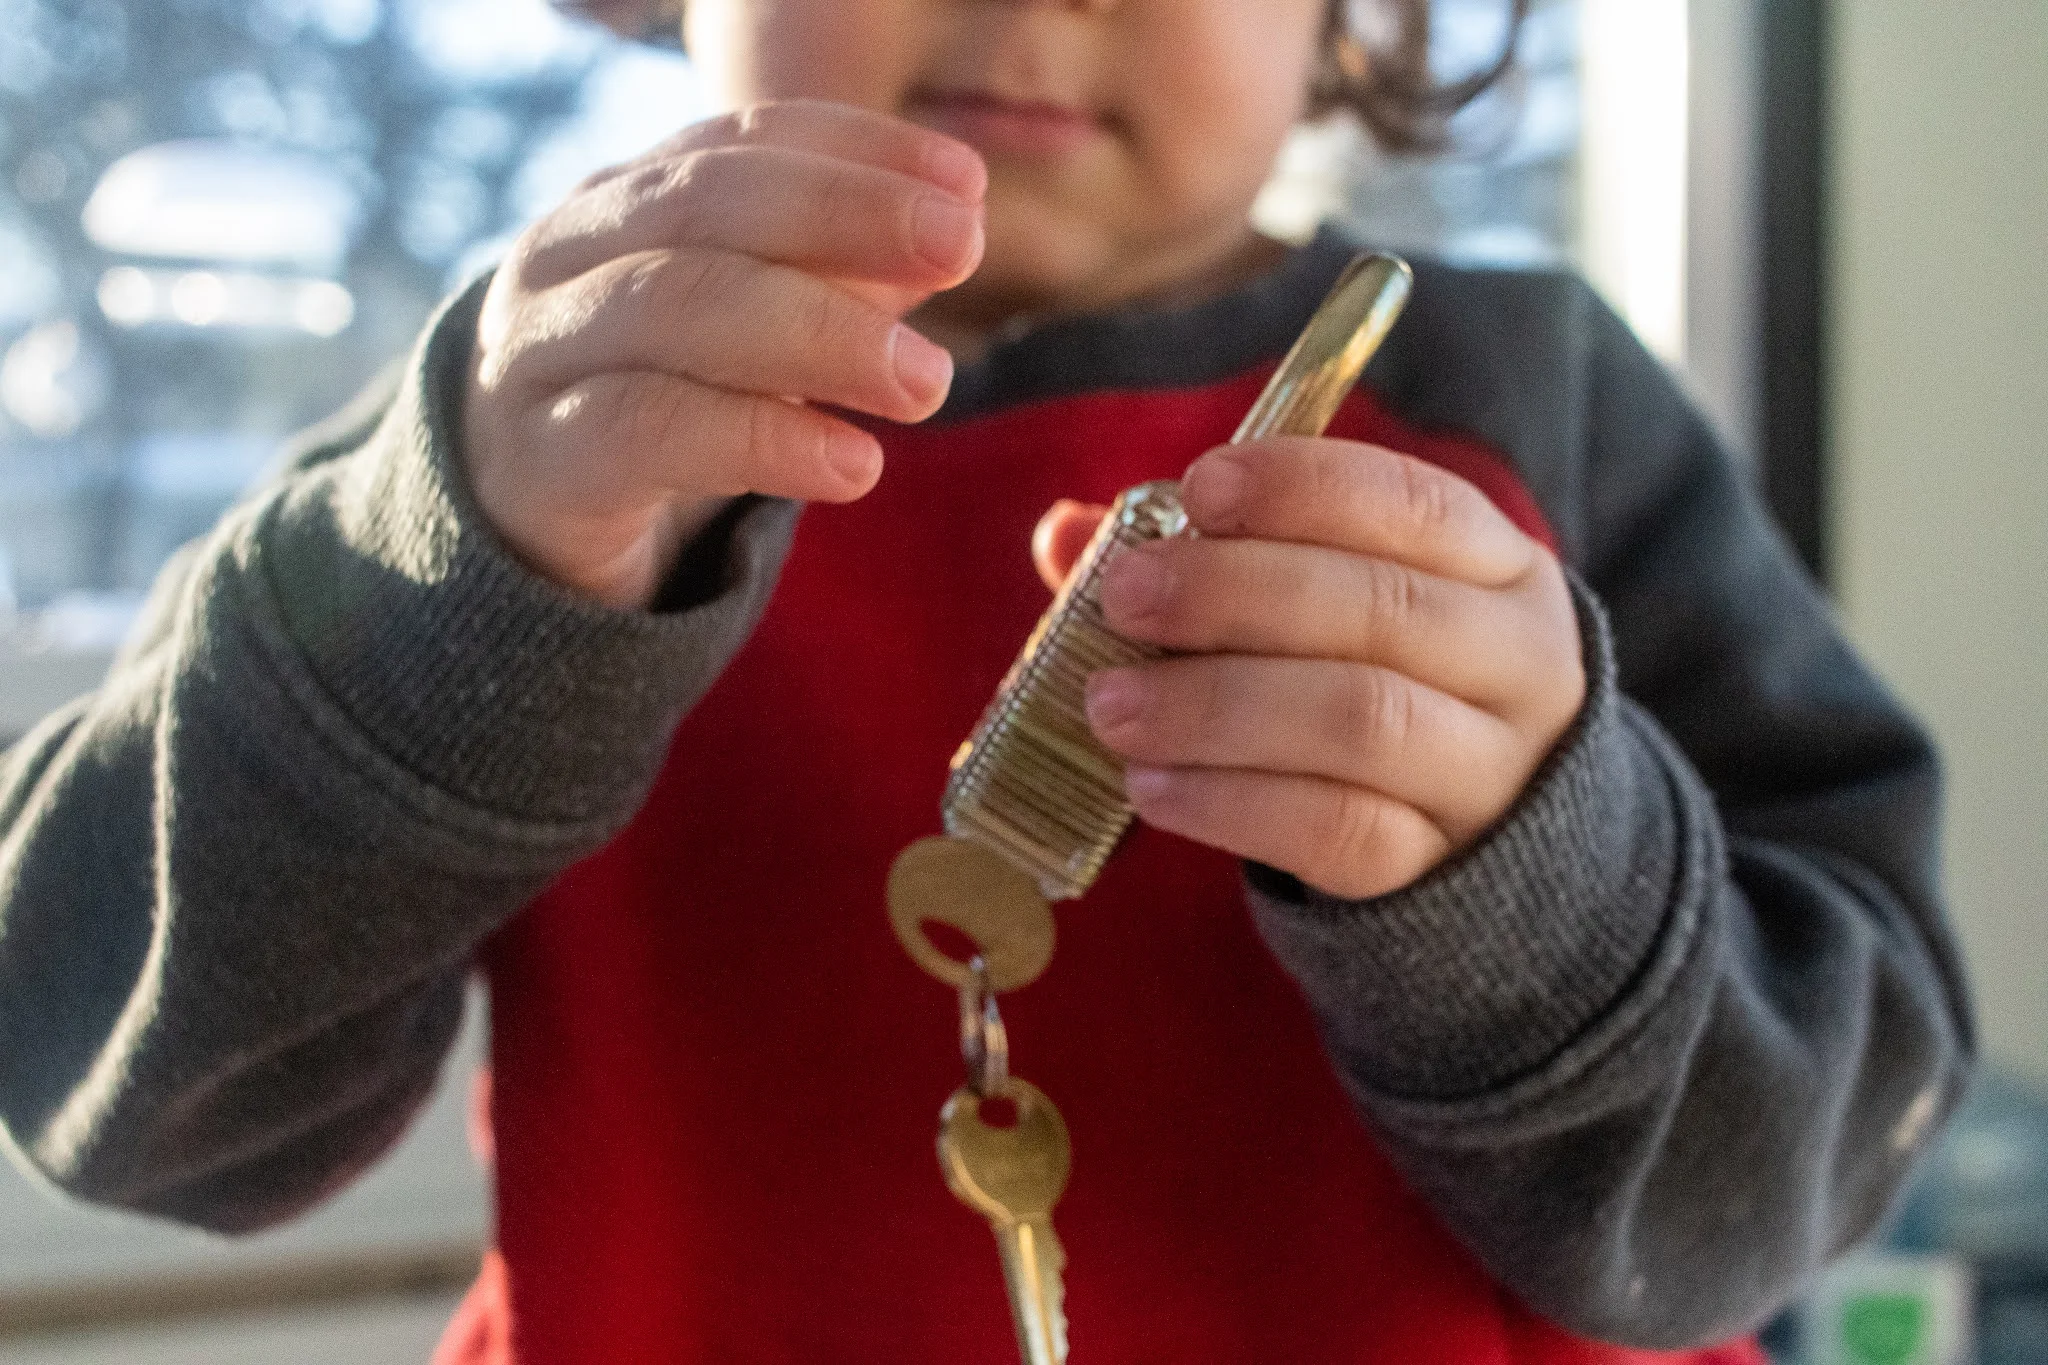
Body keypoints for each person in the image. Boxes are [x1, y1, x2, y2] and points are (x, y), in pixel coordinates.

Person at [0, 0, 1973, 1361]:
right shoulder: (512, 447)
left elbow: (1790, 1171)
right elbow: (137, 1101)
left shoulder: (1533, 413)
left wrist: (1541, 895)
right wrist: (459, 583)